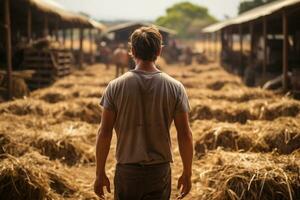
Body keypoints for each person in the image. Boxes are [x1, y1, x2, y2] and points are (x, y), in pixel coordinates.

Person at [94, 26, 193, 200]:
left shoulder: (115, 86)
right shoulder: (175, 88)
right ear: (159, 51)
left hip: (127, 172)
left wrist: (99, 173)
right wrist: (187, 172)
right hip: (159, 172)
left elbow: (104, 133)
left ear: (131, 51)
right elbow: (185, 134)